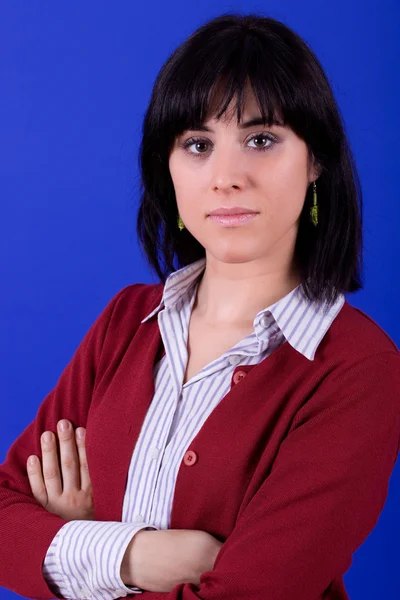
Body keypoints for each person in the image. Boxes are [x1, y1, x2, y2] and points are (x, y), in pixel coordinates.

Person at [1, 11, 399, 600]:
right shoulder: (127, 322)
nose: (225, 177)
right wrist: (134, 555)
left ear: (316, 161)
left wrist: (73, 547)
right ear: (167, 167)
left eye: (261, 140)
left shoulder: (357, 367)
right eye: (197, 144)